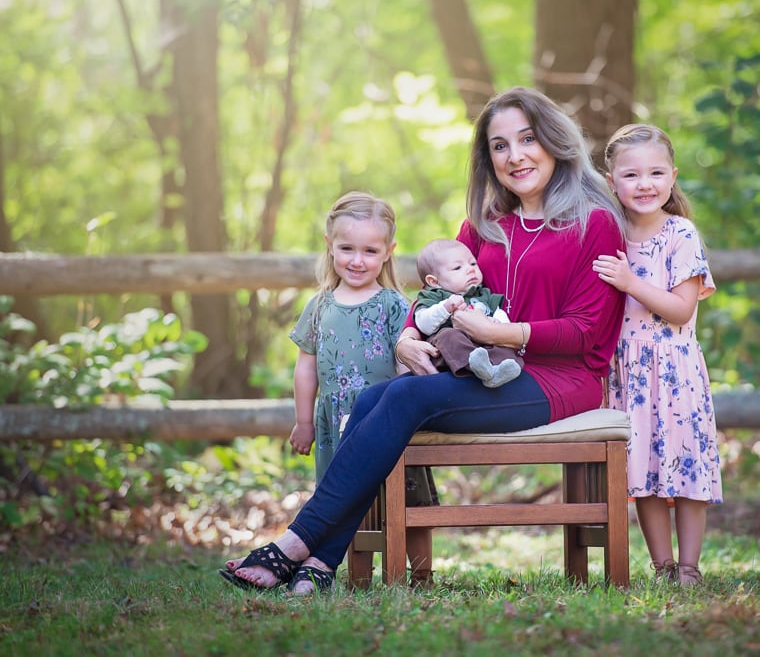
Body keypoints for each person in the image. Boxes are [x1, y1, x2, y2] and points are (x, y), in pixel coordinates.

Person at [219, 86, 626, 593]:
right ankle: (321, 564)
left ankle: (295, 544)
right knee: (373, 397)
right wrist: (408, 334)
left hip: (558, 382)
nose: (515, 155)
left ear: (553, 141)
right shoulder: (485, 222)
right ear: (488, 158)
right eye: (499, 145)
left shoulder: (596, 223)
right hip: (480, 369)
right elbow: (436, 292)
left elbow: (586, 331)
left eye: (527, 139)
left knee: (408, 395)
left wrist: (501, 332)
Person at [222, 191, 437, 594]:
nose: (358, 260)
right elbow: (306, 367)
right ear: (330, 246)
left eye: (370, 251)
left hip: (385, 419)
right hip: (333, 419)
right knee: (339, 495)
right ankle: (346, 570)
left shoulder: (394, 305)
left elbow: (410, 359)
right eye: (347, 249)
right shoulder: (320, 305)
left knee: (410, 499)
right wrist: (303, 421)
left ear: (389, 252)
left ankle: (422, 573)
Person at [593, 123, 723, 586]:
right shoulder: (607, 233)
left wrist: (631, 282)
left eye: (655, 173)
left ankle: (689, 566)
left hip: (673, 369)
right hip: (627, 371)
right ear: (611, 182)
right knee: (642, 472)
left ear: (672, 177)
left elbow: (681, 309)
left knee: (687, 470)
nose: (644, 184)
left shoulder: (679, 233)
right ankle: (662, 566)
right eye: (630, 175)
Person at [414, 238, 523, 388]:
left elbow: (498, 312)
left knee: (503, 344)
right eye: (457, 267)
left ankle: (496, 370)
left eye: (473, 264)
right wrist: (444, 308)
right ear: (434, 282)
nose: (470, 269)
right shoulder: (434, 296)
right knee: (449, 336)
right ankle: (479, 367)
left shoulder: (483, 294)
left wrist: (500, 325)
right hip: (451, 353)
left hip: (484, 346)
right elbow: (423, 323)